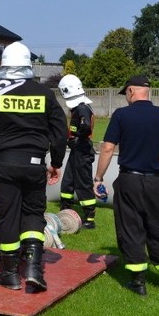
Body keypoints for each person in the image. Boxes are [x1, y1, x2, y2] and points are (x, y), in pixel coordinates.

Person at [0, 42, 68, 292]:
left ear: (4, 64)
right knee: (33, 214)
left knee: (8, 216)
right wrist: (55, 162)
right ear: (28, 65)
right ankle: (34, 269)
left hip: (2, 164)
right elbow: (60, 131)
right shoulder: (44, 94)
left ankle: (10, 274)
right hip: (34, 164)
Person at [94, 75, 159, 297]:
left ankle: (138, 282)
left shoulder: (122, 115)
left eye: (126, 94)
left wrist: (99, 178)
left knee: (131, 228)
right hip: (154, 181)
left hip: (129, 180)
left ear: (132, 91)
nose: (126, 98)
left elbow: (107, 148)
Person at [58, 74, 97, 229]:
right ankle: (66, 210)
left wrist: (78, 138)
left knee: (83, 184)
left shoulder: (82, 108)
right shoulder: (80, 107)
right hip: (77, 150)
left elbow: (86, 126)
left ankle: (89, 218)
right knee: (68, 181)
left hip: (82, 150)